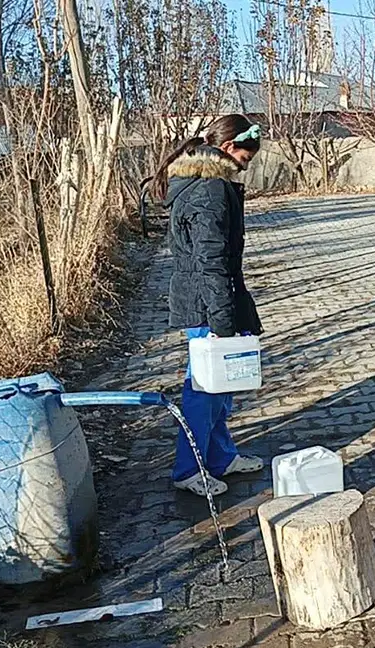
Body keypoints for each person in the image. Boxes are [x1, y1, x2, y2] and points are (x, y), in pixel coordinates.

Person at [149, 114, 266, 497]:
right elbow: (210, 261)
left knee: (219, 385)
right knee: (203, 389)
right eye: (244, 159)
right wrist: (223, 320)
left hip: (209, 298)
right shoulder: (209, 191)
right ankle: (190, 469)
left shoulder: (204, 184)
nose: (243, 167)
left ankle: (220, 458)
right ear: (229, 149)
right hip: (206, 302)